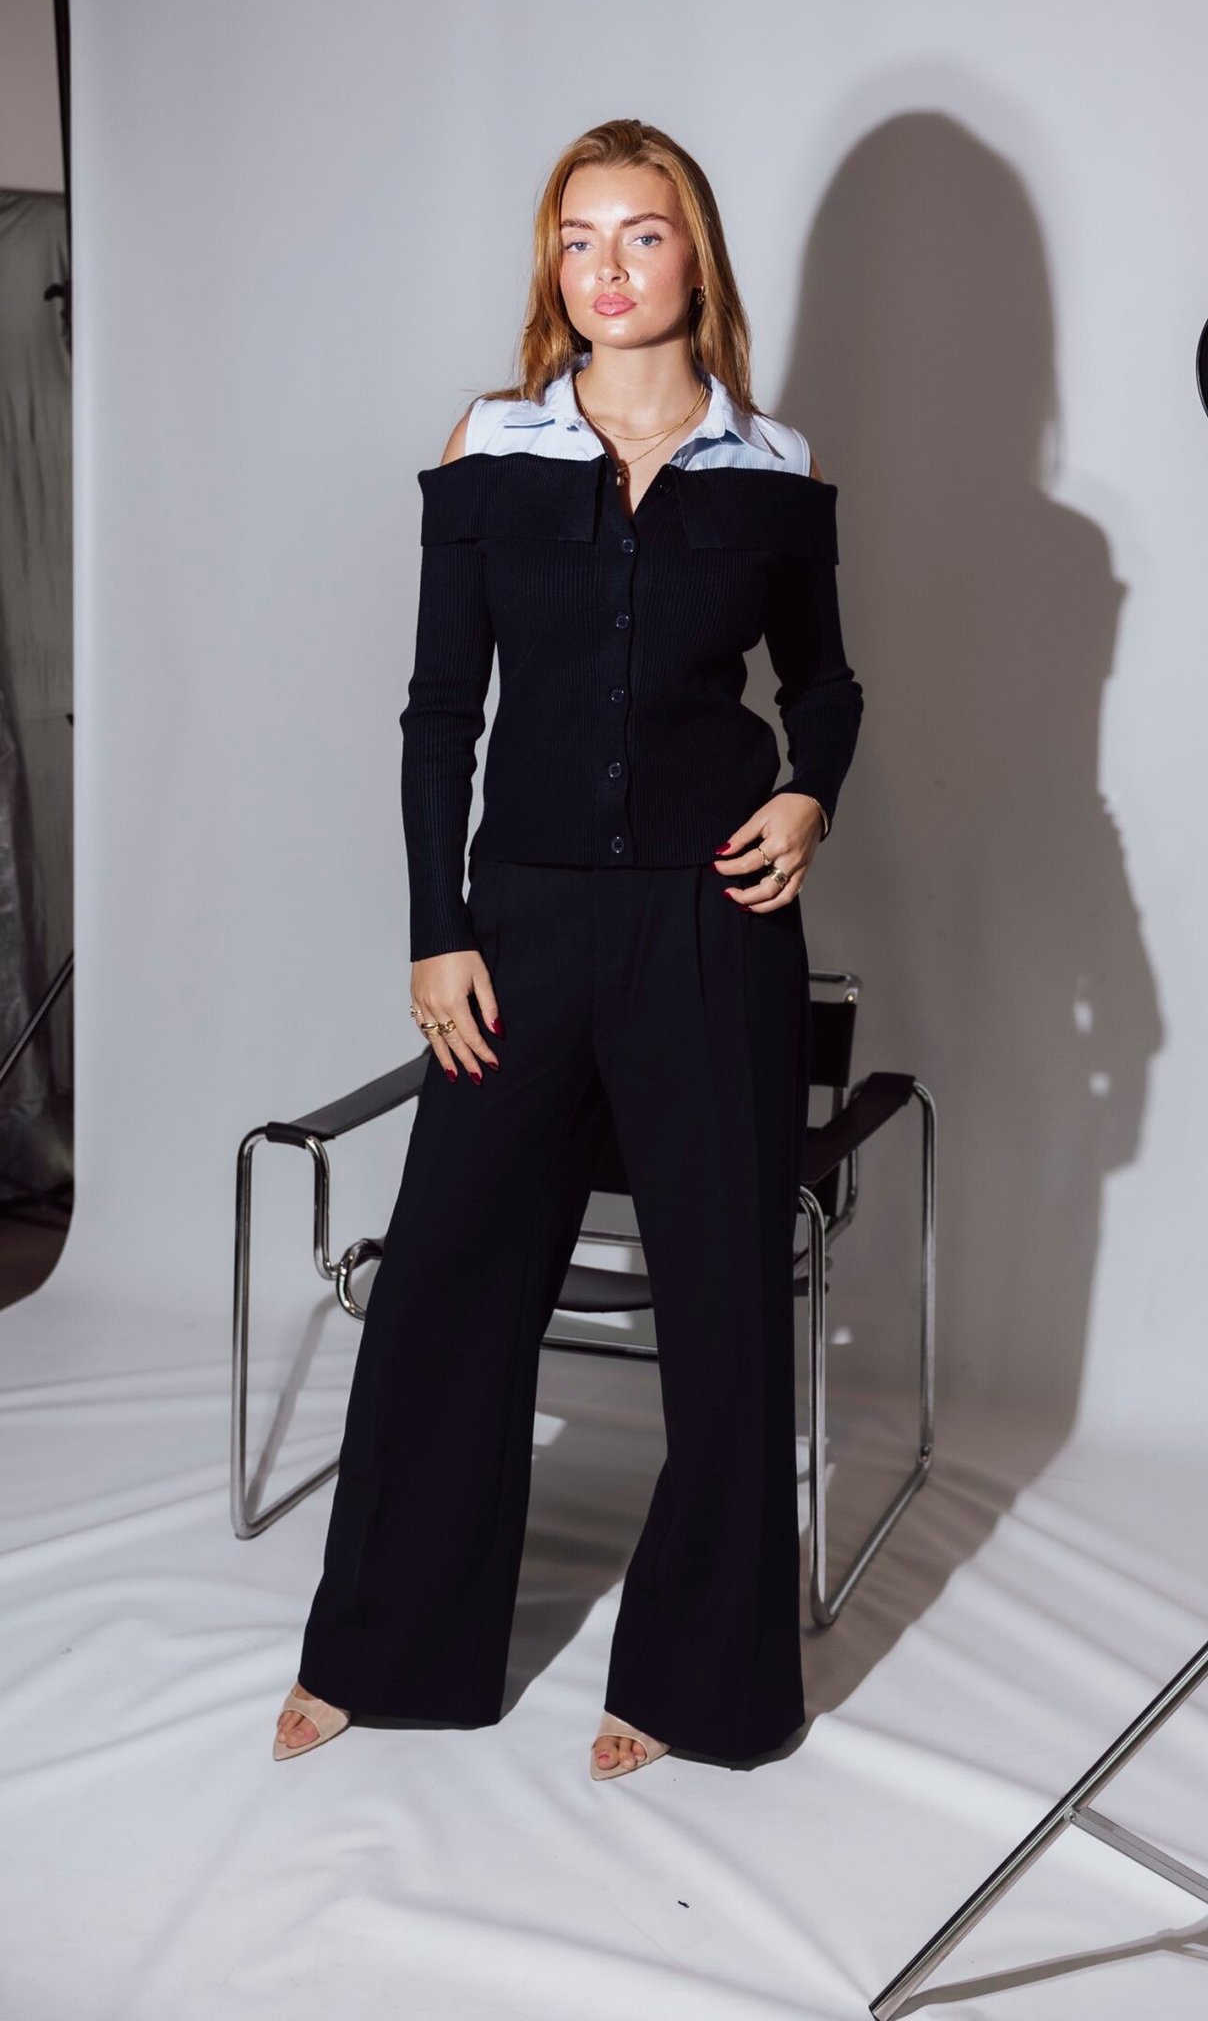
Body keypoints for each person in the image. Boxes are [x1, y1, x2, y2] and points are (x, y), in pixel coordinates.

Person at [272, 118, 864, 1779]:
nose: (608, 268)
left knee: (726, 1308)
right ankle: (387, 1647)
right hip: (521, 928)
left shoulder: (773, 464)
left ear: (695, 255)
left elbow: (824, 684)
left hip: (712, 929)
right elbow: (436, 713)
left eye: (642, 234)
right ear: (555, 264)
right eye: (579, 238)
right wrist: (436, 931)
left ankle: (694, 1683)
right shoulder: (491, 444)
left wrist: (809, 793)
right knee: (446, 1287)